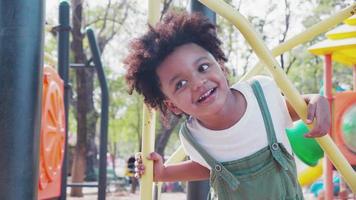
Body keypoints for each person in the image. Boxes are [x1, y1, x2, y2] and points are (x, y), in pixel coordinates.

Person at [124, 11, 330, 200]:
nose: (198, 83)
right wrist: (164, 173)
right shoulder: (192, 136)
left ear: (220, 66)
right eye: (180, 84)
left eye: (203, 67)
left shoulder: (262, 93)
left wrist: (315, 100)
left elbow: (297, 108)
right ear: (173, 106)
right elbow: (211, 167)